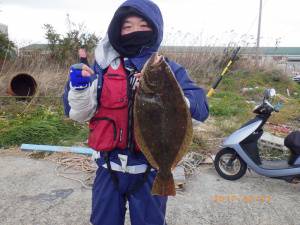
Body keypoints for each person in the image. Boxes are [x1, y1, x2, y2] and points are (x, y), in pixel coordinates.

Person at [63, 0, 209, 224]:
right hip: (108, 169)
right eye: (127, 27)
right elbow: (74, 112)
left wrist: (172, 93)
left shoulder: (168, 68)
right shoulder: (100, 68)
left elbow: (201, 109)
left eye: (143, 25)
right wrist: (79, 88)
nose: (135, 31)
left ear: (155, 29)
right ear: (117, 31)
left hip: (150, 171)